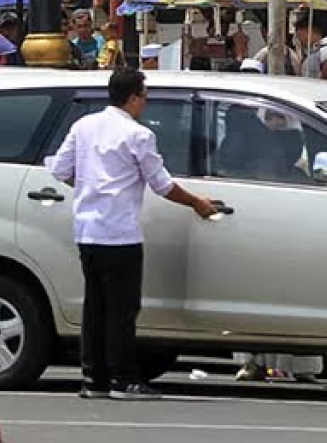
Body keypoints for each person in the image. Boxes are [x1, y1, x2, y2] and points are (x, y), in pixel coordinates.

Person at [45, 69, 217, 401]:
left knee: (95, 307)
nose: (145, 103)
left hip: (87, 229)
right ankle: (124, 379)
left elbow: (60, 169)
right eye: (145, 96)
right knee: (122, 310)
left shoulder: (84, 126)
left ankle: (93, 378)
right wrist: (197, 202)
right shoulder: (138, 135)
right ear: (133, 97)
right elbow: (162, 184)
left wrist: (89, 187)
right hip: (120, 232)